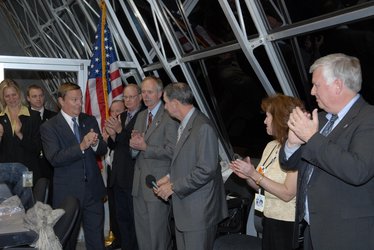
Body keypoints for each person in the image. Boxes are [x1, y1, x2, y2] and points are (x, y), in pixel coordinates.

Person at [280, 53, 374, 250]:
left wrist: (312, 138)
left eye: (317, 85)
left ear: (338, 85)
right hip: (313, 232)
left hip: (348, 235)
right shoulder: (320, 119)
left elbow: (358, 170)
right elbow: (288, 164)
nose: (312, 92)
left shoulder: (368, 118)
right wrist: (292, 143)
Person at [155, 82, 228, 250]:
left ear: (175, 103)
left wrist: (173, 186)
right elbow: (186, 162)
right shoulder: (186, 124)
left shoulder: (203, 127)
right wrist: (168, 178)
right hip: (186, 211)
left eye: (166, 102)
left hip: (199, 213)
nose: (165, 108)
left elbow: (206, 170)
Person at [229, 94, 303, 250]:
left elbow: (287, 193)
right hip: (268, 219)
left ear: (279, 118)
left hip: (288, 224)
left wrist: (254, 174)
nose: (264, 121)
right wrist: (248, 176)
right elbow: (261, 187)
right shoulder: (271, 146)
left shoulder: (298, 150)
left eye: (268, 116)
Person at [40, 82, 107, 250]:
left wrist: (95, 144)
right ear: (61, 101)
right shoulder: (49, 127)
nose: (79, 103)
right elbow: (55, 158)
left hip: (93, 191)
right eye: (74, 99)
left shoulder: (89, 120)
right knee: (67, 241)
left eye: (80, 99)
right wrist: (82, 146)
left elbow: (102, 150)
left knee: (96, 241)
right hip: (68, 195)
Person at [130, 76, 178, 250]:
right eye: (143, 92)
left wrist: (145, 147)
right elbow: (135, 152)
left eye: (149, 92)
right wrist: (134, 146)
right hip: (139, 184)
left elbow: (173, 151)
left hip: (158, 184)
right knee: (142, 233)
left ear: (160, 93)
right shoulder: (141, 115)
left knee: (158, 234)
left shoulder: (169, 116)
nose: (145, 96)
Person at [105, 84, 144, 250]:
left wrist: (120, 132)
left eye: (131, 97)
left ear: (140, 97)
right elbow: (115, 146)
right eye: (125, 97)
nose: (128, 100)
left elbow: (136, 144)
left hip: (133, 176)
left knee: (134, 220)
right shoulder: (121, 116)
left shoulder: (144, 116)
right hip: (118, 176)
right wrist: (112, 136)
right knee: (122, 219)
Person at [0, 79, 42, 183]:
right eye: (7, 96)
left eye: (14, 94)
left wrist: (20, 134)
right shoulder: (0, 118)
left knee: (26, 199)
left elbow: (37, 148)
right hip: (5, 174)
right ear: (3, 98)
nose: (11, 99)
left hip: (27, 172)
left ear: (19, 93)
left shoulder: (34, 116)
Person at [26, 84, 57, 203]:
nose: (38, 99)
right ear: (28, 98)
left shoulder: (54, 117)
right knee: (31, 201)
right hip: (31, 166)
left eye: (40, 96)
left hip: (50, 166)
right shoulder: (23, 117)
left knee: (50, 201)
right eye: (34, 96)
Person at [102, 99, 125, 250]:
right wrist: (105, 138)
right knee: (113, 209)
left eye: (119, 111)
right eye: (113, 111)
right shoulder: (108, 127)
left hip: (124, 175)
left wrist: (115, 134)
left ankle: (125, 241)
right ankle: (116, 238)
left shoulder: (126, 128)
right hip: (111, 173)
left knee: (123, 212)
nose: (115, 114)